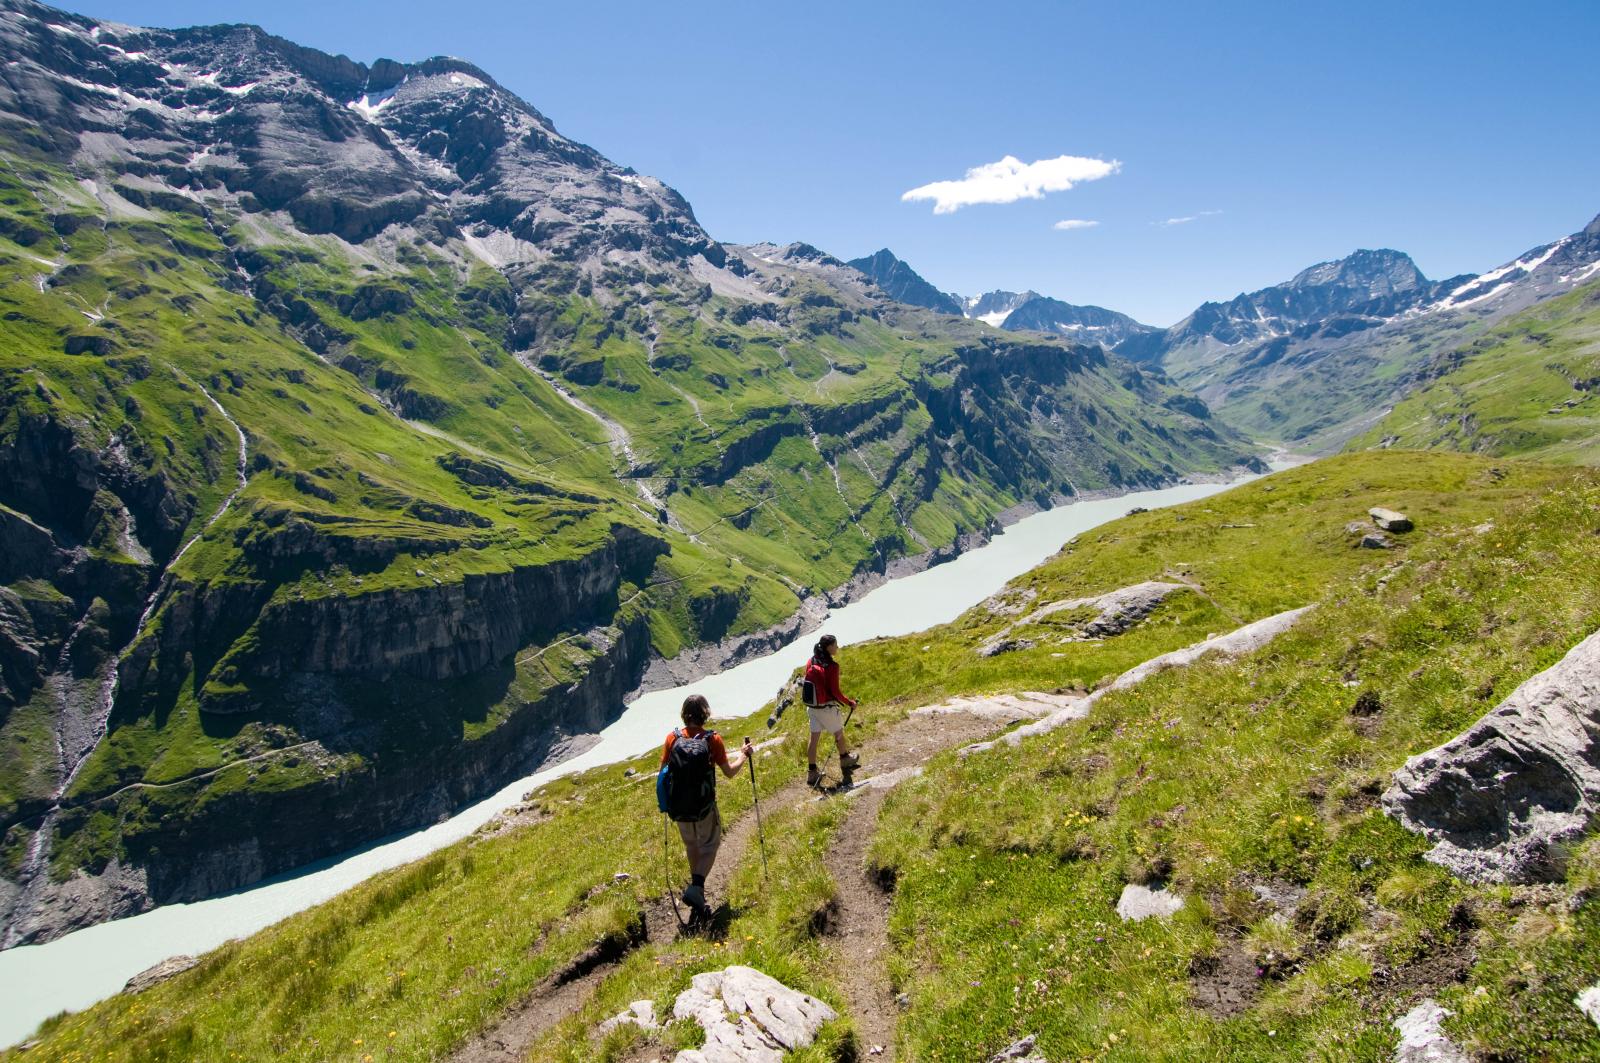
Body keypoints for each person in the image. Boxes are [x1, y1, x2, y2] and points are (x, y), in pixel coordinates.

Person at [658, 693, 749, 921]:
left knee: (692, 844)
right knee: (710, 844)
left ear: (684, 714)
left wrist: (665, 803)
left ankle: (697, 892)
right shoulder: (712, 739)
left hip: (679, 807)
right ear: (705, 713)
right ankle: (696, 887)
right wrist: (743, 756)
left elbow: (663, 774)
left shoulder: (672, 738)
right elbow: (729, 772)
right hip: (704, 806)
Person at [802, 634, 860, 788]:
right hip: (826, 708)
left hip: (812, 708)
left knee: (814, 739)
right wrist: (850, 703)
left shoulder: (811, 661)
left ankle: (812, 772)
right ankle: (845, 759)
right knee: (839, 733)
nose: (837, 647)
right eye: (835, 645)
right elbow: (836, 692)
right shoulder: (832, 666)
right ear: (829, 647)